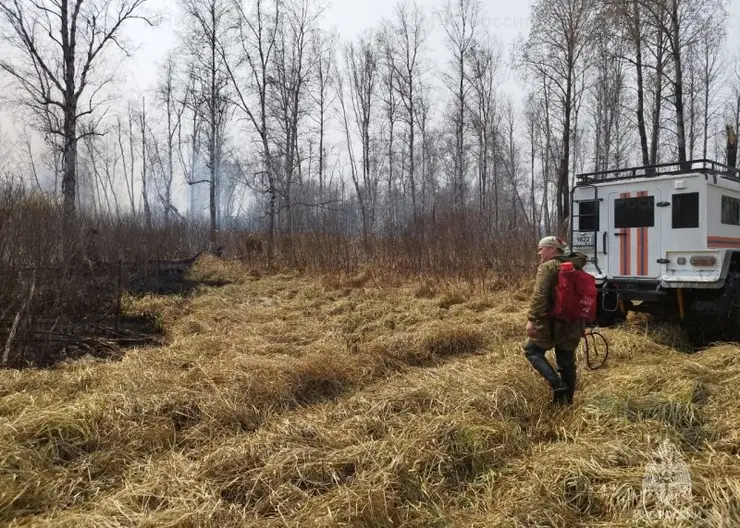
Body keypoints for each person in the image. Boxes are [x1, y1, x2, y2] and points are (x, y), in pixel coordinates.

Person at [524, 236, 587, 405]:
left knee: (531, 350)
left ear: (552, 249)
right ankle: (566, 401)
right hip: (574, 321)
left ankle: (558, 386)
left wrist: (532, 320)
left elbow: (540, 295)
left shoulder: (548, 267)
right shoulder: (575, 264)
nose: (539, 253)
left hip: (552, 323)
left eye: (541, 249)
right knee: (566, 360)